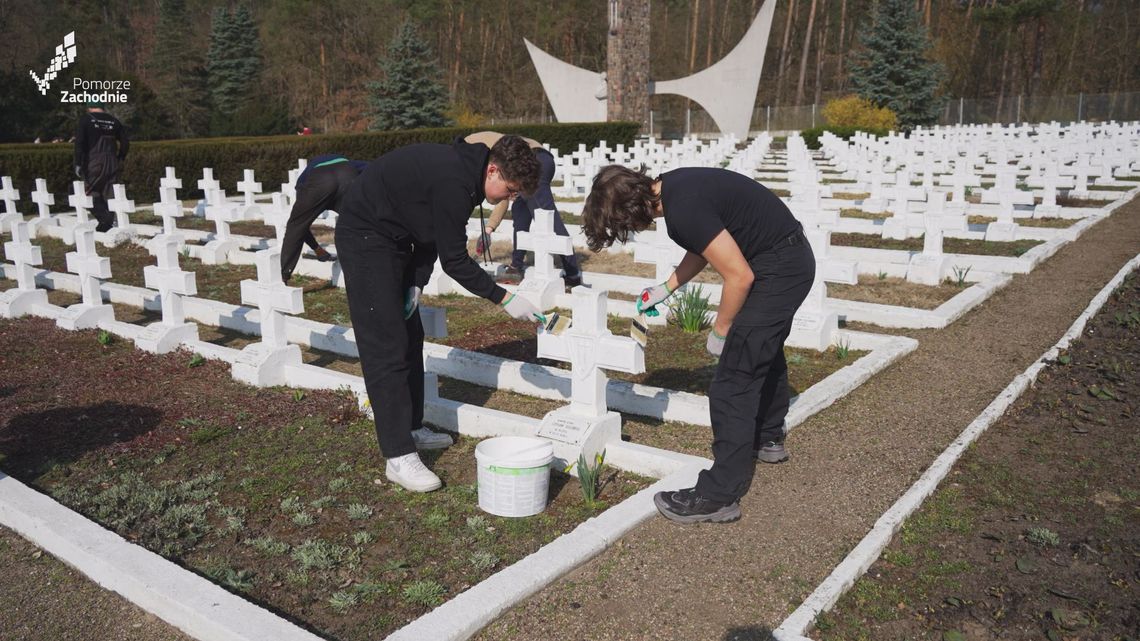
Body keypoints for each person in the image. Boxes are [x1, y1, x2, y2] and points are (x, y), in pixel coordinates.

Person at [581, 165, 815, 524]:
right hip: (788, 258)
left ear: (631, 210)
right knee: (760, 348)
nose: (630, 232)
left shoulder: (683, 210)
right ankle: (768, 436)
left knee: (732, 380)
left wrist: (721, 331)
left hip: (778, 267)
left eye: (622, 226)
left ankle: (719, 495)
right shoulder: (676, 187)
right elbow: (706, 244)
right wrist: (667, 287)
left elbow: (739, 275)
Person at [334, 135, 543, 492]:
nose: (510, 199)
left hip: (394, 239)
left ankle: (411, 427)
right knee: (386, 345)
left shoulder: (468, 176)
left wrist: (416, 280)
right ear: (492, 169)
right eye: (510, 190)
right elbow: (455, 260)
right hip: (365, 236)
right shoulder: (455, 182)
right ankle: (398, 456)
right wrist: (505, 298)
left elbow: (429, 233)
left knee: (410, 337)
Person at [465, 131, 582, 287]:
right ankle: (516, 266)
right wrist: (489, 229)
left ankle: (573, 274)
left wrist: (489, 227)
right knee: (520, 213)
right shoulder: (474, 149)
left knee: (546, 219)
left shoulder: (473, 150)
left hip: (535, 160)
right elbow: (504, 193)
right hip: (527, 161)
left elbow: (501, 187)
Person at [279, 154, 367, 283]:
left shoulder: (303, 179)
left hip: (320, 180)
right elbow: (371, 167)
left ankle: (284, 277)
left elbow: (301, 226)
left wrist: (315, 248)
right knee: (359, 221)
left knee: (296, 226)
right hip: (348, 173)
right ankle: (366, 265)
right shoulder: (350, 162)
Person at [74, 100, 129, 232]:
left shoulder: (86, 120)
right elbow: (125, 143)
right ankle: (106, 225)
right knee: (109, 192)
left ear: (89, 108)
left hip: (94, 161)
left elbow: (79, 143)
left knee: (89, 192)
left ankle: (105, 220)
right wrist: (120, 157)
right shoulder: (114, 121)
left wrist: (77, 163)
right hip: (112, 161)